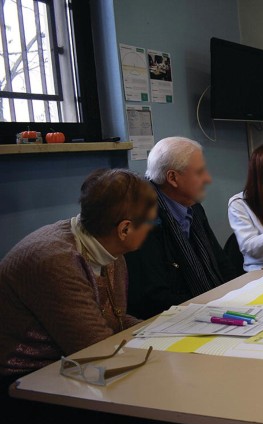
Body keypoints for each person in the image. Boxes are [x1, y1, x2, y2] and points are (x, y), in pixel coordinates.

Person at [0, 168, 155, 381]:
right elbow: (94, 349)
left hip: (69, 365)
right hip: (26, 379)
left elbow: (114, 319)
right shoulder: (56, 261)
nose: (152, 229)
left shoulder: (107, 246)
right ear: (125, 229)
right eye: (151, 222)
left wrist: (160, 330)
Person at [125, 137, 238, 319]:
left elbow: (221, 262)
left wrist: (240, 295)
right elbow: (153, 298)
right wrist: (213, 305)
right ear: (172, 178)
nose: (208, 178)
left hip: (210, 308)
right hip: (175, 320)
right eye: (199, 172)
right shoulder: (144, 219)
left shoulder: (193, 206)